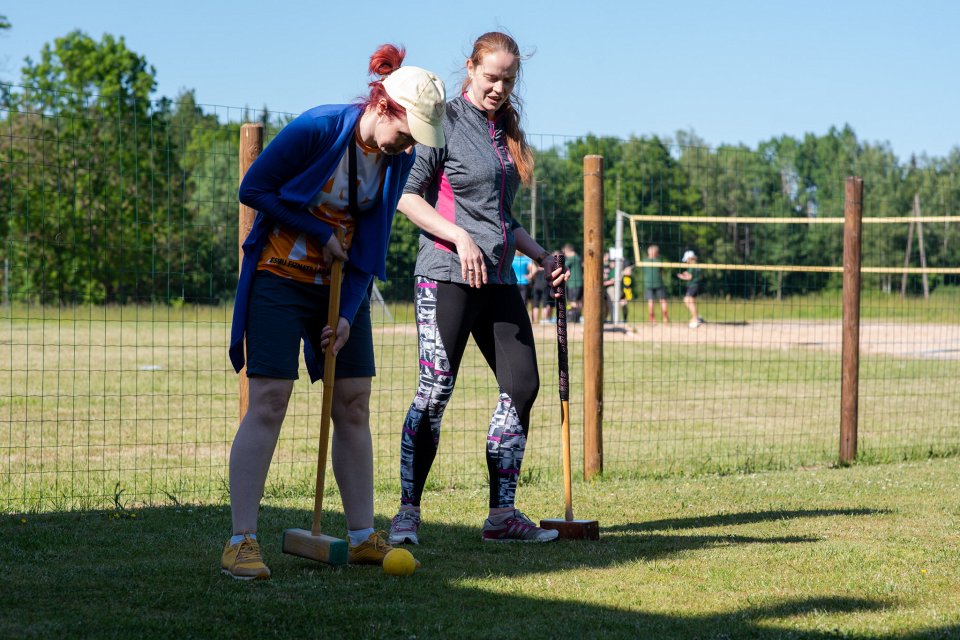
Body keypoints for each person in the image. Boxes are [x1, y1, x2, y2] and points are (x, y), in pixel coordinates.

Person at [223, 45, 446, 580]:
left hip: (341, 287)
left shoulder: (399, 160)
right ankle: (241, 541)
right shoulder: (318, 128)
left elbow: (371, 242)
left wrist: (347, 315)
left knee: (353, 402)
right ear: (385, 106)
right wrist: (318, 230)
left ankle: (361, 534)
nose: (411, 144)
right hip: (279, 279)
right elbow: (252, 188)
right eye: (408, 130)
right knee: (270, 400)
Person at [389, 31, 565, 546]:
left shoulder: (503, 129)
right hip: (445, 273)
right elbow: (407, 198)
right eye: (492, 77)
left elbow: (502, 218)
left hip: (498, 276)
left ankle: (501, 515)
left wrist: (542, 256)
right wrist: (459, 235)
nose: (500, 87)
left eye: (509, 80)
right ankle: (407, 513)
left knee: (523, 385)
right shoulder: (442, 120)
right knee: (435, 391)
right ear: (470, 68)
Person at [642, 244, 669, 323]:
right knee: (662, 300)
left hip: (649, 283)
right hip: (658, 283)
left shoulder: (644, 261)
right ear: (656, 253)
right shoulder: (659, 261)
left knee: (651, 301)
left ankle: (652, 319)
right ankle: (665, 318)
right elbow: (662, 271)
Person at [677, 249, 704, 328]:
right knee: (691, 301)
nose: (686, 262)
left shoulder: (692, 265)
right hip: (696, 285)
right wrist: (687, 274)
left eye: (687, 260)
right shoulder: (696, 264)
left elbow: (690, 277)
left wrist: (682, 276)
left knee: (687, 300)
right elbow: (696, 275)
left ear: (690, 258)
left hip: (693, 285)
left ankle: (695, 318)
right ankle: (696, 317)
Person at [563, 243, 583, 323]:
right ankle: (577, 318)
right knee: (578, 302)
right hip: (579, 283)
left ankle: (572, 318)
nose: (565, 254)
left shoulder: (571, 258)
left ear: (568, 250)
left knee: (572, 301)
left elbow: (563, 266)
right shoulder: (578, 257)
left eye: (565, 252)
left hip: (573, 284)